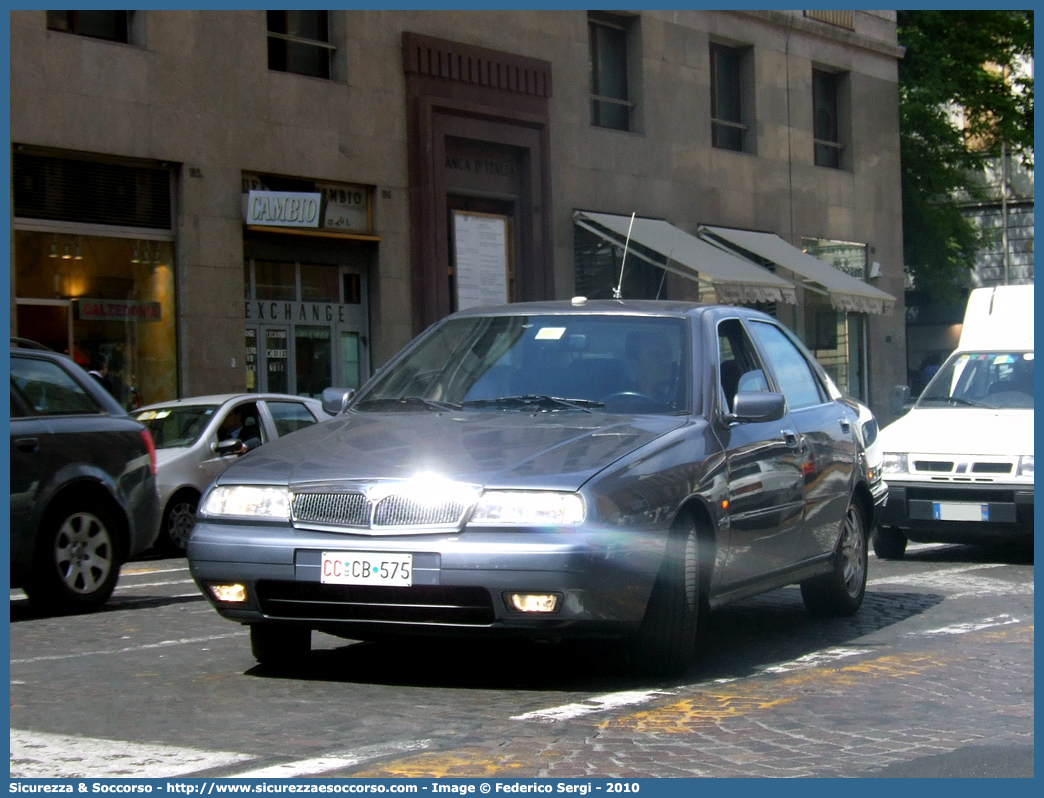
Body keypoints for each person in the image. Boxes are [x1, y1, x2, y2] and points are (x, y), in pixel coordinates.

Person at [624, 330, 676, 404]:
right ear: (635, 364)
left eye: (667, 353)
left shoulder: (682, 396)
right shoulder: (620, 399)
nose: (665, 362)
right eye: (655, 355)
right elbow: (601, 406)